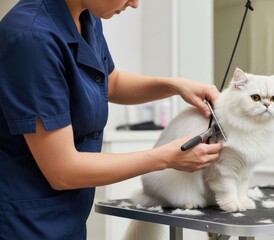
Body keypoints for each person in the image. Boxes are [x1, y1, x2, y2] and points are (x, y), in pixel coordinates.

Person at [0, 0, 223, 238]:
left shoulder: (87, 15)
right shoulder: (32, 38)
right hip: (24, 223)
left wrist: (174, 85)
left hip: (67, 216)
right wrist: (166, 158)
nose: (135, 4)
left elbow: (110, 81)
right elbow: (62, 170)